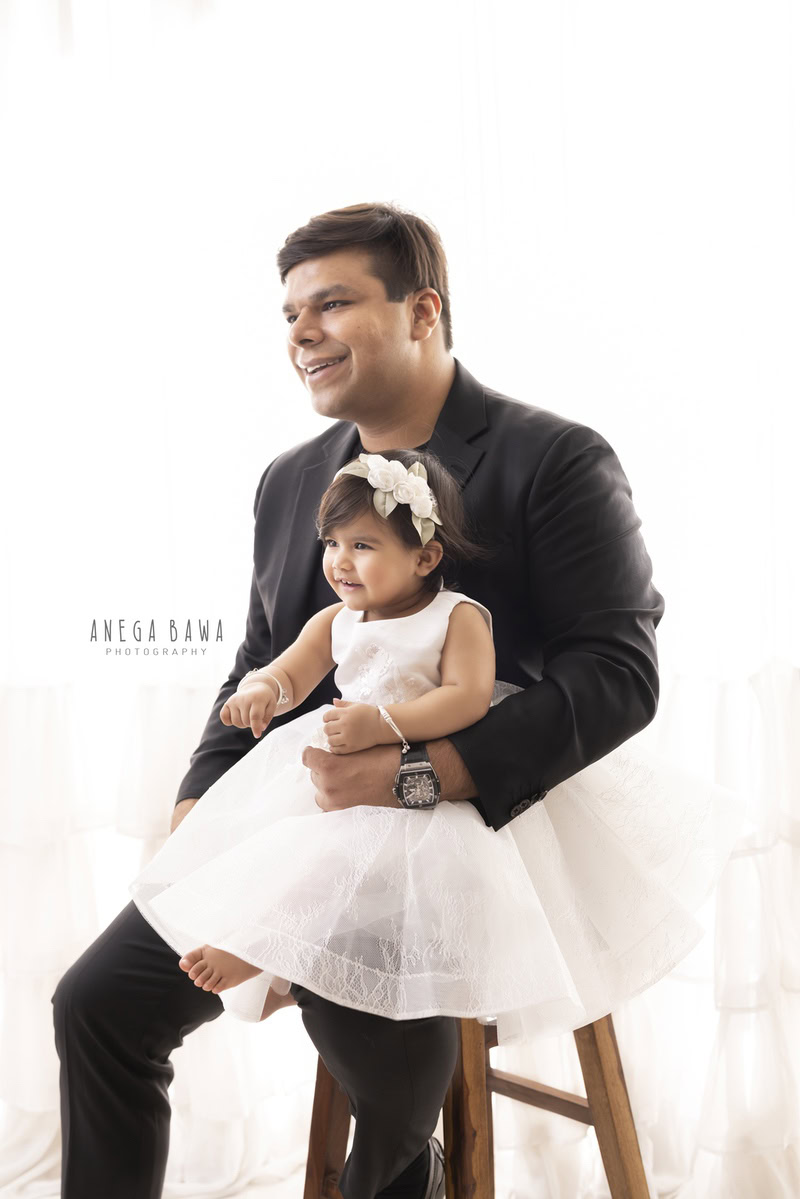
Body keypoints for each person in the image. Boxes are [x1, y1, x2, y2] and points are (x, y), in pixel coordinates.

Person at [51, 201, 743, 1199]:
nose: (298, 332)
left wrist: (417, 772)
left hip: (475, 835)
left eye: (331, 302)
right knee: (97, 1003)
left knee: (376, 1054)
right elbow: (262, 659)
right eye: (288, 311)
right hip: (303, 812)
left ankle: (398, 1156)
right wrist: (198, 804)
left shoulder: (553, 458)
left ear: (422, 310)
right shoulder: (290, 483)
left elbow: (615, 673)